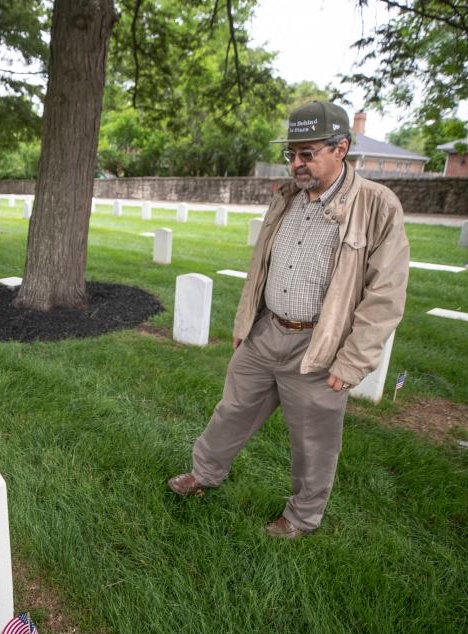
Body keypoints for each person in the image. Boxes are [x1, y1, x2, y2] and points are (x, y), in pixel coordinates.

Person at [167, 101, 409, 539]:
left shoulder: (377, 206)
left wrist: (353, 361)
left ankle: (301, 517)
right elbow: (261, 265)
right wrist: (246, 324)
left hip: (319, 345)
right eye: (291, 154)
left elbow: (386, 295)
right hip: (267, 330)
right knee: (231, 411)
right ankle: (205, 473)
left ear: (341, 148)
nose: (296, 163)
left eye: (307, 153)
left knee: (313, 443)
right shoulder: (287, 198)